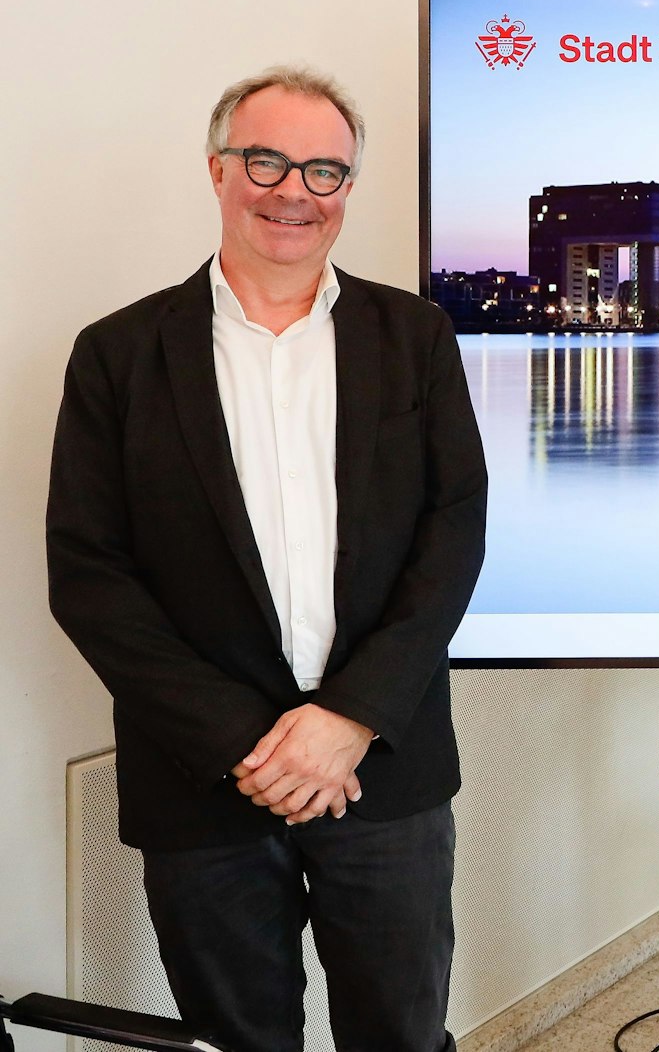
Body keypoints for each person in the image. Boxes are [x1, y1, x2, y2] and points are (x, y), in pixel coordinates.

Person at [46, 66, 487, 1052]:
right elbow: (89, 573)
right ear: (218, 170)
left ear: (346, 188)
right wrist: (252, 743)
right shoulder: (117, 354)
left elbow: (452, 531)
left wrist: (347, 718)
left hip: (386, 766)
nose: (294, 189)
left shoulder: (414, 336)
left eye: (324, 169)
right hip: (202, 779)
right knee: (237, 1038)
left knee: (403, 1033)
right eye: (268, 160)